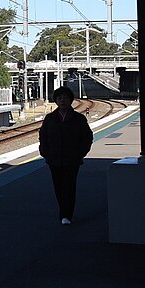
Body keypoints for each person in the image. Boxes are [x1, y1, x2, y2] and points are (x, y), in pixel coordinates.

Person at [38, 86, 93, 225]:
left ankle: (66, 215)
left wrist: (80, 153)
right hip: (54, 159)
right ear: (56, 101)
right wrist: (45, 153)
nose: (62, 101)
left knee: (69, 186)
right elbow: (43, 136)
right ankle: (64, 212)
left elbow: (87, 137)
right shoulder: (50, 118)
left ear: (70, 100)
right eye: (59, 98)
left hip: (72, 160)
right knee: (58, 187)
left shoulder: (78, 119)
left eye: (65, 98)